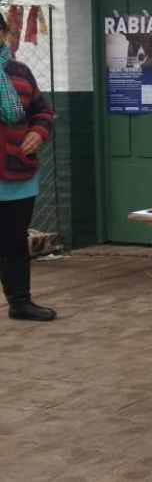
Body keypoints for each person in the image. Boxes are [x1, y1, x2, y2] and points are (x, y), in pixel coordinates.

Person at [0, 17, 56, 321]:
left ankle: (19, 302)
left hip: (17, 171)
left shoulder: (20, 72)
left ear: (5, 34)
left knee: (12, 239)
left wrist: (39, 132)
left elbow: (43, 110)